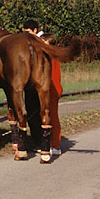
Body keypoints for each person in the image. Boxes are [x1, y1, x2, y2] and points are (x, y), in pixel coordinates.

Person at [23, 19, 63, 157]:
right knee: (43, 115)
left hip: (51, 88)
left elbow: (53, 75)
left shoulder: (51, 55)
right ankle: (46, 142)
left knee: (52, 116)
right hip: (45, 87)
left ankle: (55, 144)